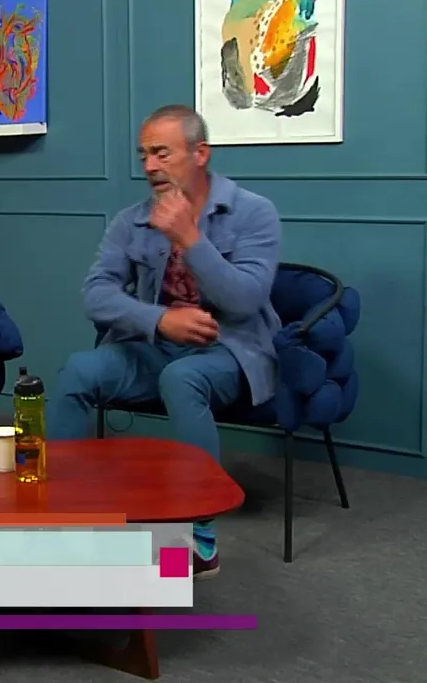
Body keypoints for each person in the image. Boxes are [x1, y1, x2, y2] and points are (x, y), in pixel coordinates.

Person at [46, 104, 282, 579]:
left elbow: (245, 300)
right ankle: (60, 516)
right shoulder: (131, 220)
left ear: (200, 153)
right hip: (157, 346)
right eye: (144, 155)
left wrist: (191, 238)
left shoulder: (254, 212)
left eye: (161, 153)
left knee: (183, 377)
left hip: (230, 351)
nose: (150, 166)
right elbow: (96, 294)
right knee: (79, 370)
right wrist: (159, 320)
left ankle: (199, 539)